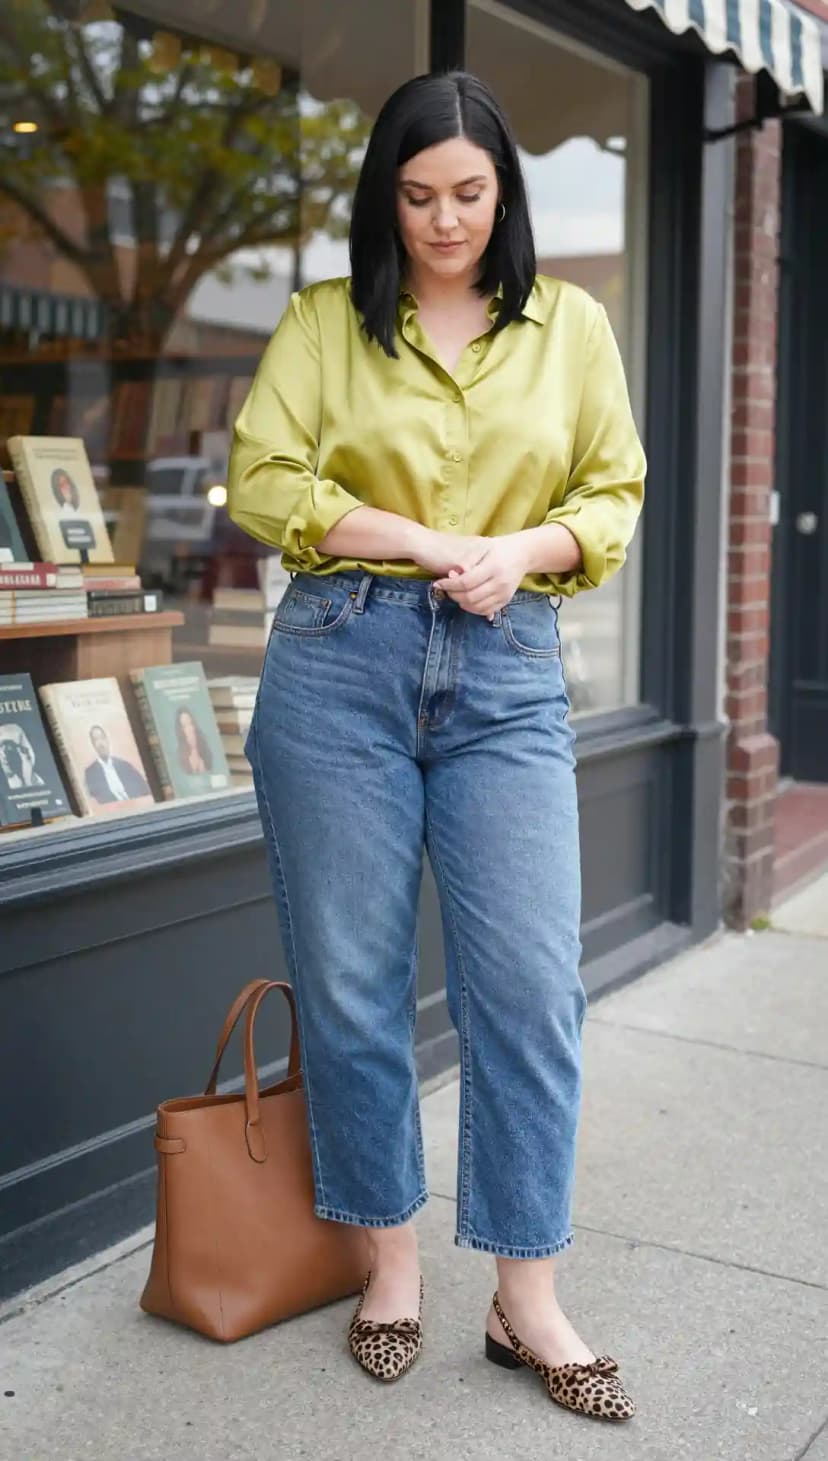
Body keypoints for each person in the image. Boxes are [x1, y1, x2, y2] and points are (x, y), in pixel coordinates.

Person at [227, 70, 645, 1421]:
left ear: (505, 193)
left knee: (527, 991)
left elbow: (612, 492)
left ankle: (528, 1296)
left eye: (469, 193)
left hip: (510, 674)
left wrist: (519, 552)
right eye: (416, 196)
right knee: (352, 984)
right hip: (339, 659)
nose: (445, 221)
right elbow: (267, 478)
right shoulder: (321, 324)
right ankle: (388, 1266)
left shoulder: (570, 326)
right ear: (384, 197)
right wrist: (416, 539)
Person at [83, 724, 149, 805]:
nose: (100, 743)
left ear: (107, 740)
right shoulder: (90, 774)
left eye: (102, 738)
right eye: (96, 740)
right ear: (93, 745)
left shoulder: (125, 765)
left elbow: (145, 789)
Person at [174, 706, 212, 776]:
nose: (189, 729)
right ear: (181, 730)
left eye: (190, 723)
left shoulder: (206, 750)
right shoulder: (181, 756)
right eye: (184, 726)